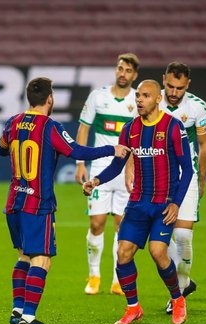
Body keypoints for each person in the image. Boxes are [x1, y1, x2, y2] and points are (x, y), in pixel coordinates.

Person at [0, 77, 130, 324]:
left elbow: (1, 149)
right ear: (50, 99)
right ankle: (28, 317)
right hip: (38, 203)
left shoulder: (12, 123)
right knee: (42, 258)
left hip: (14, 200)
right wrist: (111, 149)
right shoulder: (50, 126)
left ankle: (17, 310)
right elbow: (77, 151)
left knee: (23, 255)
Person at [83, 80, 193, 324]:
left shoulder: (173, 127)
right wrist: (97, 180)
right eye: (138, 96)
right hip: (137, 203)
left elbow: (187, 170)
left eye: (145, 95)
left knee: (158, 252)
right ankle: (133, 307)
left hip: (163, 204)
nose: (139, 100)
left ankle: (177, 299)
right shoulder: (130, 129)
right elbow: (117, 164)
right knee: (123, 253)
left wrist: (176, 203)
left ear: (158, 99)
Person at [74, 53, 139, 296]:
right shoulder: (98, 97)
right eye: (120, 69)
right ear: (116, 70)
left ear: (135, 75)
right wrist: (80, 162)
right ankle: (94, 274)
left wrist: (133, 168)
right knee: (97, 223)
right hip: (100, 169)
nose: (123, 74)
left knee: (121, 226)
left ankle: (115, 278)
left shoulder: (138, 100)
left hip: (126, 173)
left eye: (128, 71)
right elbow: (84, 128)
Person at [159, 62, 206, 314]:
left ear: (187, 85)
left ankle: (178, 292)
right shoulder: (149, 100)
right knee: (160, 239)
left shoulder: (197, 108)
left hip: (186, 176)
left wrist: (202, 178)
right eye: (170, 85)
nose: (174, 92)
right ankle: (184, 283)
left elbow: (205, 145)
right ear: (163, 80)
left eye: (179, 88)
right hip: (157, 178)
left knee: (183, 236)